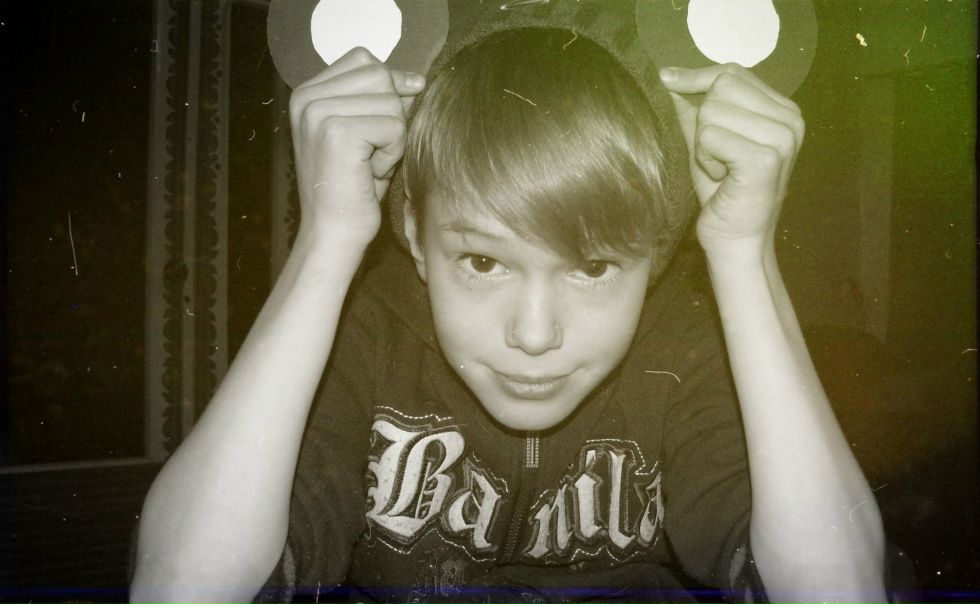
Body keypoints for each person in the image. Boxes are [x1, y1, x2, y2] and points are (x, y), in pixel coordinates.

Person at [131, 4, 886, 603]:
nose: (534, 334)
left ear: (655, 250)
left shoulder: (687, 351)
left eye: (593, 267)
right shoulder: (357, 339)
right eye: (484, 261)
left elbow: (839, 591)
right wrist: (325, 242)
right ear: (415, 235)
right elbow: (181, 589)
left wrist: (745, 253)